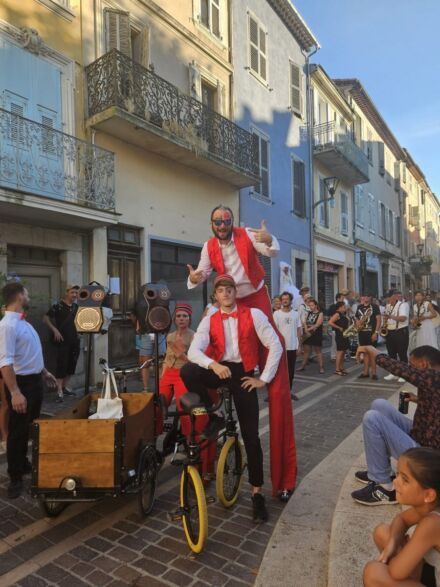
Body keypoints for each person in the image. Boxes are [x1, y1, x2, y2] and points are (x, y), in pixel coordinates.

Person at [186, 205, 296, 497]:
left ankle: (276, 482)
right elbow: (201, 272)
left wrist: (270, 239)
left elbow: (272, 252)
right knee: (194, 360)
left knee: (277, 362)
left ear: (231, 221)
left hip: (255, 299)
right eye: (216, 221)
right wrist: (196, 278)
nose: (221, 224)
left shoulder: (248, 234)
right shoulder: (209, 247)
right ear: (211, 223)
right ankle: (210, 423)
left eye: (225, 220)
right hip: (228, 303)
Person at [181, 274, 283, 519]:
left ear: (235, 293)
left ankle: (257, 494)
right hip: (220, 369)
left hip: (243, 374)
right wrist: (213, 365)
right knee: (188, 371)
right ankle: (213, 412)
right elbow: (194, 351)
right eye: (220, 290)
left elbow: (275, 345)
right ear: (215, 295)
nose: (225, 293)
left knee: (251, 436)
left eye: (229, 289)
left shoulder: (254, 315)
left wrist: (263, 379)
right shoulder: (209, 319)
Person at [350, 344, 440, 506]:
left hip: (429, 458)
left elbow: (400, 369)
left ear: (424, 365)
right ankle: (379, 470)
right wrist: (418, 399)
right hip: (421, 437)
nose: (411, 369)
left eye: (413, 366)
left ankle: (385, 487)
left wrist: (374, 352)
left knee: (372, 419)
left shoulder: (435, 377)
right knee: (380, 405)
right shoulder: (434, 380)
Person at [0, 282, 57, 498]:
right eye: (27, 292)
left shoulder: (23, 322)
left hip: (34, 381)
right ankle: (14, 477)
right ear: (19, 296)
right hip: (21, 385)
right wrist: (14, 392)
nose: (29, 295)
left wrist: (44, 372)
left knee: (28, 427)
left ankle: (23, 463)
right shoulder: (7, 326)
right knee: (17, 431)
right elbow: (5, 363)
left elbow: (28, 354)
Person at [363, 447, 440, 587]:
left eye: (405, 479)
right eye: (397, 474)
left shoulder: (432, 523)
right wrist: (393, 543)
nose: (395, 482)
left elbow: (396, 572)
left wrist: (404, 548)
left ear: (428, 495)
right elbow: (401, 519)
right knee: (383, 532)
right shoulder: (430, 507)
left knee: (373, 573)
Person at [159, 304, 214, 479]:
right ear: (174, 319)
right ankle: (157, 440)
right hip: (169, 373)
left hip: (183, 374)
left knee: (185, 411)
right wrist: (162, 375)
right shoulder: (170, 336)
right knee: (158, 404)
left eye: (184, 316)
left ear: (190, 318)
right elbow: (167, 359)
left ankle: (189, 442)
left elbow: (194, 362)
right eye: (179, 316)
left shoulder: (194, 336)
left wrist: (181, 353)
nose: (181, 319)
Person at [43, 285, 80, 402]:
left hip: (75, 340)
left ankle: (64, 387)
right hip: (62, 341)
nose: (74, 295)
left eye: (76, 293)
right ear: (66, 293)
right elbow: (45, 318)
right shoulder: (57, 306)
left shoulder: (76, 307)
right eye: (72, 292)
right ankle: (59, 390)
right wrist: (55, 330)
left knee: (71, 365)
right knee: (62, 365)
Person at [273, 292, 301, 399]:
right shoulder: (276, 314)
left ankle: (288, 392)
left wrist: (299, 345)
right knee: (278, 371)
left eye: (287, 299)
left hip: (292, 347)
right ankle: (275, 392)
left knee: (290, 371)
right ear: (281, 301)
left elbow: (298, 330)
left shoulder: (295, 314)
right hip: (280, 348)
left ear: (290, 300)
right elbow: (274, 331)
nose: (285, 301)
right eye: (283, 299)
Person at [383, 290, 410, 383]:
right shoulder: (388, 305)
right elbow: (387, 319)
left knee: (402, 354)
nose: (387, 300)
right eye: (386, 298)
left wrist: (390, 316)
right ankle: (393, 373)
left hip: (400, 331)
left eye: (388, 297)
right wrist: (384, 324)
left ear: (394, 296)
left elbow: (403, 318)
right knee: (391, 354)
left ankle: (404, 374)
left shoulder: (403, 305)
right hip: (389, 332)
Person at [355, 294, 382, 380]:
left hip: (371, 333)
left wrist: (376, 332)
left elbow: (379, 320)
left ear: (370, 298)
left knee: (372, 353)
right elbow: (356, 317)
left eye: (367, 296)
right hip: (362, 333)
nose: (365, 298)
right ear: (361, 297)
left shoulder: (374, 306)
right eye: (364, 296)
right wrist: (357, 322)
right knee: (365, 353)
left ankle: (374, 373)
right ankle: (365, 372)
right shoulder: (359, 306)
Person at [298, 299, 324, 373]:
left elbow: (318, 324)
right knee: (306, 351)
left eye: (312, 305)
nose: (311, 307)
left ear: (316, 305)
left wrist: (308, 329)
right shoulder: (309, 313)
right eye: (310, 305)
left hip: (316, 333)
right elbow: (304, 321)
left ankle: (321, 367)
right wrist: (306, 328)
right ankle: (302, 366)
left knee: (318, 351)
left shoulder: (320, 313)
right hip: (308, 332)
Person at [328, 301, 349, 376]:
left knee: (343, 352)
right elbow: (330, 322)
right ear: (340, 307)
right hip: (340, 335)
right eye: (344, 307)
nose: (345, 308)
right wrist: (338, 327)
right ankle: (337, 369)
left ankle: (341, 367)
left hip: (345, 334)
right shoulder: (337, 314)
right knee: (340, 352)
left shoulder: (343, 314)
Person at [327, 293, 345, 362]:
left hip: (342, 328)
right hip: (335, 328)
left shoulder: (343, 306)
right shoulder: (333, 306)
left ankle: (341, 356)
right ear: (338, 299)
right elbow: (329, 316)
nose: (343, 299)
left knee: (341, 343)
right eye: (342, 298)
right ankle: (333, 357)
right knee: (334, 343)